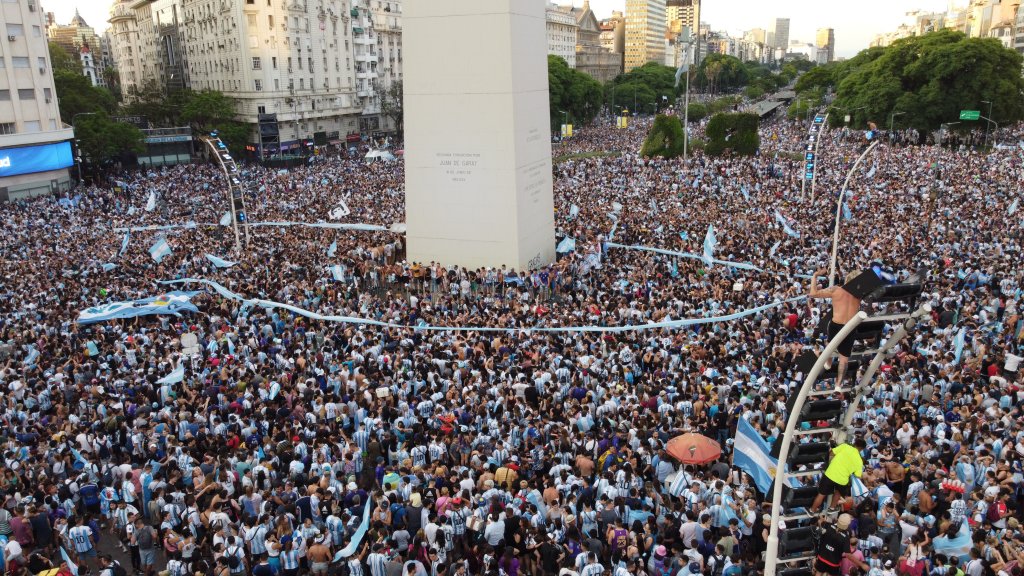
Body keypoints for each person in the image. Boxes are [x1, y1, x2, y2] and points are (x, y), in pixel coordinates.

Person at [810, 268, 865, 385]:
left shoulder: (836, 290)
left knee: (829, 346)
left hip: (837, 324)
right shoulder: (860, 294)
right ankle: (838, 385)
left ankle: (828, 363)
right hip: (850, 326)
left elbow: (813, 293)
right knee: (843, 360)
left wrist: (815, 275)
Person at [811, 438, 867, 513]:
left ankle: (812, 510)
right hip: (842, 480)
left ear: (855, 443)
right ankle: (832, 508)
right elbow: (858, 475)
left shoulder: (845, 446)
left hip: (830, 474)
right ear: (862, 449)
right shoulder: (859, 460)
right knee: (838, 492)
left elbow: (831, 453)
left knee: (821, 495)